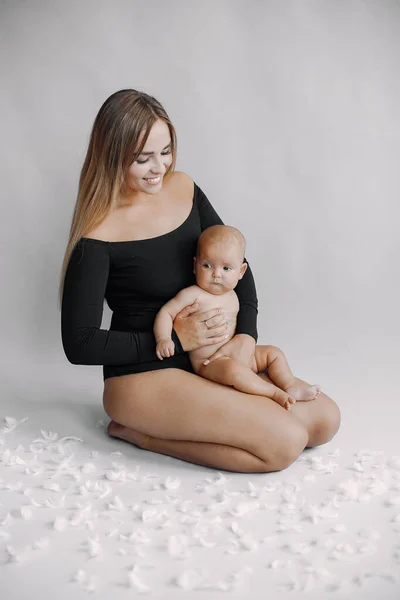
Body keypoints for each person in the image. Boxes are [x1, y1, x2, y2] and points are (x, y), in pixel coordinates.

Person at [60, 88, 341, 474]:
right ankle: (142, 435)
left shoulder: (184, 189)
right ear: (112, 156)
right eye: (142, 158)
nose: (159, 167)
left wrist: (246, 335)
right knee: (285, 444)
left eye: (165, 151)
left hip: (210, 359)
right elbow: (80, 343)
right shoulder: (97, 235)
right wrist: (177, 340)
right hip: (143, 376)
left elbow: (234, 260)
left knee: (324, 421)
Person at [154, 224, 321, 411]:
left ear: (241, 272)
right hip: (210, 363)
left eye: (226, 268)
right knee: (234, 371)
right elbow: (165, 313)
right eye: (207, 265)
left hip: (241, 355)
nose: (216, 274)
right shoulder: (192, 295)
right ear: (195, 265)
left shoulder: (234, 295)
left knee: (274, 353)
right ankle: (273, 392)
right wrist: (164, 338)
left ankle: (290, 384)